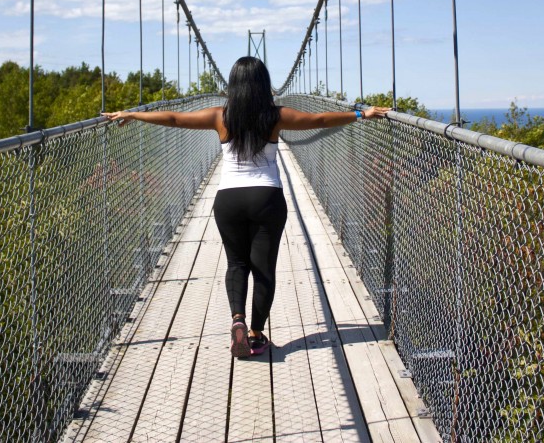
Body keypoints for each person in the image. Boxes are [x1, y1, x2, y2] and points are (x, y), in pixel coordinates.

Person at [102, 56, 389, 359]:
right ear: (264, 85)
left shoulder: (219, 116)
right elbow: (318, 121)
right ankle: (255, 334)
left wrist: (133, 115)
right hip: (267, 198)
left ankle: (236, 319)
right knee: (263, 269)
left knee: (236, 264)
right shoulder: (276, 116)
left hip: (229, 199)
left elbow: (174, 119)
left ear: (233, 86)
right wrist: (361, 113)